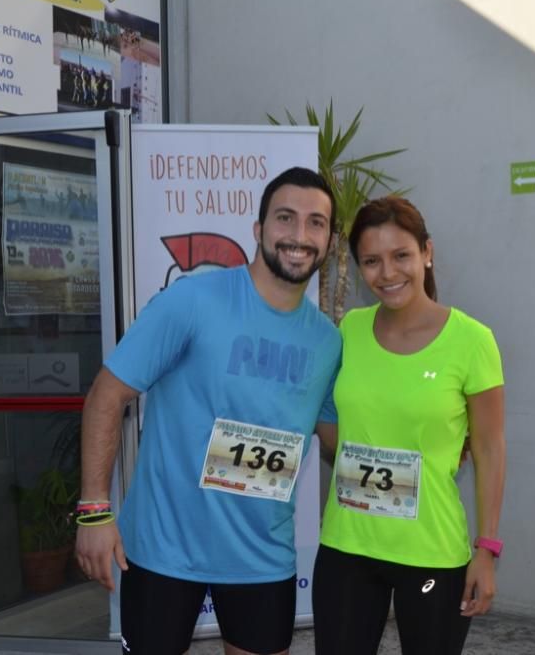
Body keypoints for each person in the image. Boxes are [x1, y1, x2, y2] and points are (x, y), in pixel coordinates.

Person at [74, 167, 342, 655]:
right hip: (163, 551)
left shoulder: (328, 341)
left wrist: (409, 469)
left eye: (316, 223)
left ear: (329, 240)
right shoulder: (193, 300)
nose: (299, 236)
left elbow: (331, 434)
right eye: (286, 218)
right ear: (259, 230)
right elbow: (106, 395)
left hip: (262, 555)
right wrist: (94, 510)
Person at [312, 196, 506, 655]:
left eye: (401, 255)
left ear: (427, 253)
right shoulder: (349, 331)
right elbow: (329, 417)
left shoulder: (473, 341)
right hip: (347, 549)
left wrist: (487, 549)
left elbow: (490, 449)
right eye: (372, 261)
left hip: (432, 554)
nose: (388, 272)